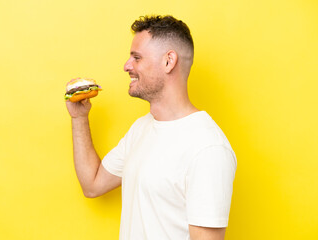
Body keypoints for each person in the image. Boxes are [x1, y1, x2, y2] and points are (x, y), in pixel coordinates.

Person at [66, 15, 237, 240]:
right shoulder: (142, 128)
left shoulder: (208, 148)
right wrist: (79, 119)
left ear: (169, 61)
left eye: (137, 58)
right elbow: (93, 184)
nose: (127, 66)